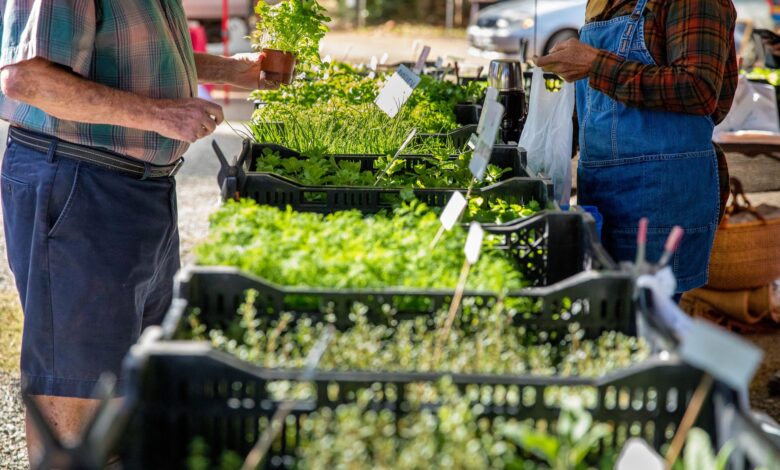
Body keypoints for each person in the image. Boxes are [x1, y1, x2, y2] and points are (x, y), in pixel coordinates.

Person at [0, 1, 277, 464]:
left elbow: (133, 57)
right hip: (81, 183)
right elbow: (27, 78)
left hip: (137, 187)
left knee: (131, 378)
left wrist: (228, 69)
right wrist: (163, 116)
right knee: (79, 385)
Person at [537, 0, 737, 297]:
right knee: (610, 312)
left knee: (644, 321)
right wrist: (554, 142)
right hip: (603, 193)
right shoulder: (602, 4)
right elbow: (599, 100)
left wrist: (595, 64)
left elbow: (698, 87)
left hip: (661, 196)